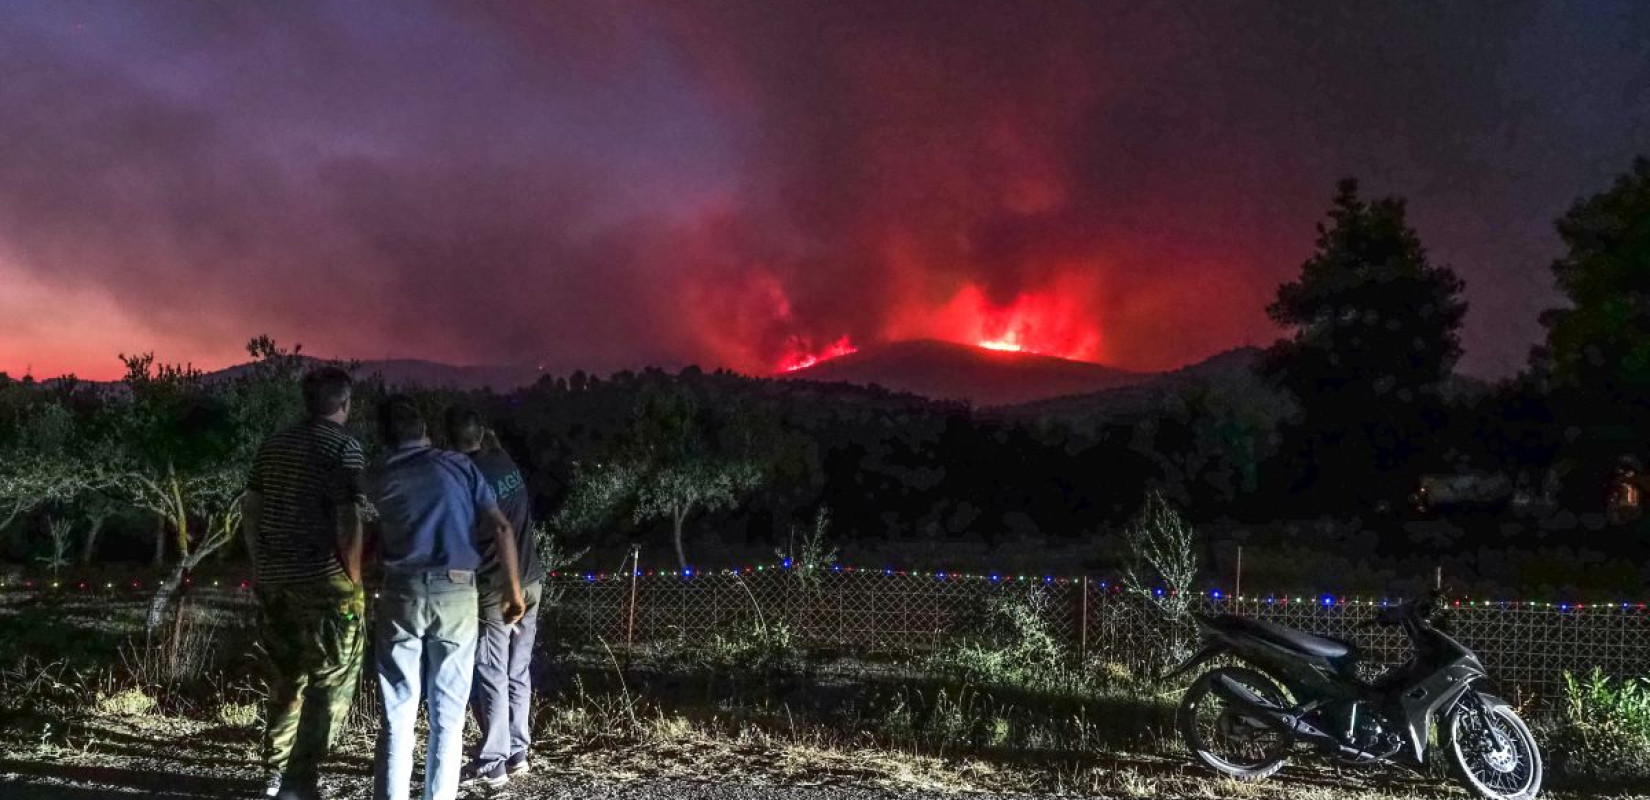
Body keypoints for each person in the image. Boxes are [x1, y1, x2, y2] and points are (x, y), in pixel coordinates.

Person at [366, 397, 525, 800]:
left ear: (386, 436)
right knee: (448, 717)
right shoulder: (460, 466)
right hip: (457, 593)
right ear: (426, 431)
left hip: (401, 591)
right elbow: (503, 529)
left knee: (398, 713)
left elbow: (361, 525)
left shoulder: (378, 474)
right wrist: (513, 592)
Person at [242, 367, 367, 800]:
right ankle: (302, 779)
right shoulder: (344, 448)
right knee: (329, 684)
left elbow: (251, 510)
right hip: (325, 586)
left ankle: (274, 773)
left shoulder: (273, 446)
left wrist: (261, 565)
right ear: (345, 403)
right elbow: (348, 519)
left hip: (276, 583)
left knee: (285, 681)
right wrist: (354, 580)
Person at [445, 408, 545, 787]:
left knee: (490, 672)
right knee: (517, 670)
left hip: (498, 588)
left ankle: (493, 761)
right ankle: (518, 750)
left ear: (452, 440)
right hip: (532, 579)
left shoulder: (469, 475)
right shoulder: (503, 461)